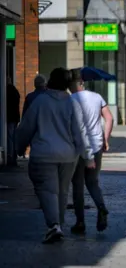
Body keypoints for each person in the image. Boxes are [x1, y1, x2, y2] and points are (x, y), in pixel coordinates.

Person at [16, 67, 94, 243]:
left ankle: (54, 225)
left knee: (46, 189)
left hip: (43, 155)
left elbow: (26, 127)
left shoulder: (40, 102)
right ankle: (58, 224)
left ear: (50, 81)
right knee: (62, 191)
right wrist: (87, 157)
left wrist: (19, 147)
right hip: (68, 156)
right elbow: (79, 133)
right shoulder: (73, 104)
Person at [69, 69, 114, 235]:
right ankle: (101, 207)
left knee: (78, 185)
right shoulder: (97, 97)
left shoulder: (70, 100)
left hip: (78, 148)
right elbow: (109, 118)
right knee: (93, 182)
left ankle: (80, 222)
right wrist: (106, 139)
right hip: (96, 146)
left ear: (77, 83)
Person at [6, 77, 20, 166]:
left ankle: (10, 157)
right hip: (15, 117)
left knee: (10, 138)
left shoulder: (6, 91)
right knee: (14, 138)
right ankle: (14, 157)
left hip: (9, 117)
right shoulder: (15, 91)